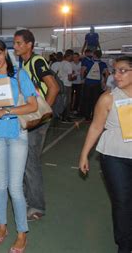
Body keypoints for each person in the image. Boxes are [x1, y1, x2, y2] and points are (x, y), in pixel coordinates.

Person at [0, 38, 38, 253]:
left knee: (15, 188)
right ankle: (2, 227)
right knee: (0, 185)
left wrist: (6, 111)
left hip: (16, 135)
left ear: (5, 53)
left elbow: (32, 105)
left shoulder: (19, 76)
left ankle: (22, 233)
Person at [79, 56, 132, 253]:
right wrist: (84, 154)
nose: (116, 75)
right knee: (122, 201)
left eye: (123, 71)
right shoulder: (108, 98)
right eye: (115, 71)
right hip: (114, 156)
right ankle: (124, 246)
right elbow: (95, 127)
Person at [13, 29, 59, 221]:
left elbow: (54, 87)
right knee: (25, 161)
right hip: (30, 118)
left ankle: (37, 206)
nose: (15, 47)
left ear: (29, 45)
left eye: (18, 43)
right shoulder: (22, 63)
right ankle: (27, 198)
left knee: (30, 163)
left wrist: (43, 113)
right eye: (14, 43)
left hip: (38, 120)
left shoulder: (37, 61)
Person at [81, 49, 109, 121]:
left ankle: (87, 116)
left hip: (88, 83)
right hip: (97, 84)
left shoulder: (88, 62)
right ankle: (94, 115)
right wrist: (105, 82)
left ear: (94, 55)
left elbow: (82, 71)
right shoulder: (103, 64)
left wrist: (82, 79)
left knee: (87, 100)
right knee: (95, 101)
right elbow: (107, 73)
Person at [51, 49, 75, 122]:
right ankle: (66, 117)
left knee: (61, 101)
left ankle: (59, 115)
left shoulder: (61, 63)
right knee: (67, 101)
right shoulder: (69, 64)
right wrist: (74, 77)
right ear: (70, 55)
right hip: (67, 85)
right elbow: (69, 78)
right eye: (72, 56)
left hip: (61, 84)